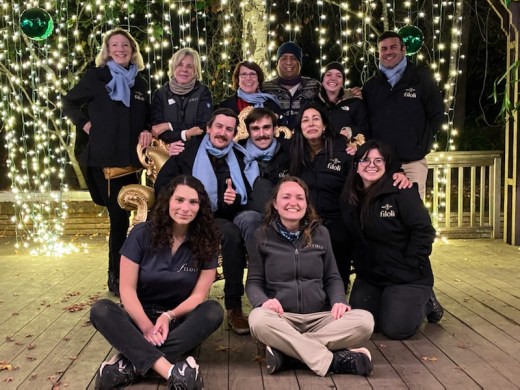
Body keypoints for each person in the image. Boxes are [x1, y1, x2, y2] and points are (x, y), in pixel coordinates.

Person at [90, 175, 224, 389]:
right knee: (101, 310)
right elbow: (126, 290)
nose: (185, 208)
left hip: (178, 320)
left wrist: (168, 316)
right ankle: (171, 370)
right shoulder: (141, 234)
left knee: (213, 311)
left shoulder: (207, 240)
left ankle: (129, 365)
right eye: (179, 200)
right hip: (137, 318)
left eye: (193, 202)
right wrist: (146, 327)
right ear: (168, 201)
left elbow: (199, 296)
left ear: (201, 207)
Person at [246, 176, 374, 377]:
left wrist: (339, 301)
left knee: (365, 321)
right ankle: (331, 361)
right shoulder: (261, 236)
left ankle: (289, 353)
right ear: (275, 204)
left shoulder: (321, 233)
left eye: (299, 197)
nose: (293, 203)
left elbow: (332, 276)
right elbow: (253, 282)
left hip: (320, 318)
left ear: (306, 204)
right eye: (286, 197)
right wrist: (263, 302)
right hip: (282, 318)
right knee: (257, 319)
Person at [62, 28, 152, 296]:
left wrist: (147, 128)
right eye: (115, 45)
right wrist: (85, 124)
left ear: (133, 49)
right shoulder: (96, 77)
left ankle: (136, 273)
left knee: (139, 221)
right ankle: (116, 276)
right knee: (119, 219)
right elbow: (68, 102)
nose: (121, 49)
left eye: (125, 45)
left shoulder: (141, 83)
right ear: (108, 50)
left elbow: (147, 114)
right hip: (104, 162)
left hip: (132, 165)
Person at [155, 108, 258, 335]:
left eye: (229, 129)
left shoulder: (239, 158)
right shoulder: (188, 153)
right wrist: (183, 205)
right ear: (209, 128)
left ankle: (234, 307)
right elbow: (162, 185)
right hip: (187, 218)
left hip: (222, 219)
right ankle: (171, 305)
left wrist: (235, 199)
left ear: (234, 133)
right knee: (228, 232)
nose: (223, 133)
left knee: (233, 232)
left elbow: (248, 196)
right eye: (219, 127)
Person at [341, 140, 444, 340]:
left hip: (407, 275)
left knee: (396, 329)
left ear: (388, 165)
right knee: (365, 325)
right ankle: (391, 302)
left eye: (379, 160)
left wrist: (411, 263)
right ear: (356, 166)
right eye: (365, 160)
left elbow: (423, 230)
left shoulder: (401, 191)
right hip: (372, 276)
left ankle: (426, 300)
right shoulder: (350, 196)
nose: (372, 165)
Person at [362, 31, 446, 199]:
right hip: (380, 164)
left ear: (403, 49)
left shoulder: (421, 78)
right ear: (379, 53)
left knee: (414, 215)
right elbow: (365, 122)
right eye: (383, 49)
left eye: (393, 47)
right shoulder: (371, 86)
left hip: (412, 163)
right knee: (381, 214)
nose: (388, 52)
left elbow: (437, 115)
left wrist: (420, 144)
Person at [232, 107, 291, 248]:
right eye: (255, 129)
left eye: (266, 127)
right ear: (248, 131)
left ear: (275, 129)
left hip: (281, 213)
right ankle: (258, 268)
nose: (261, 134)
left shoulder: (289, 151)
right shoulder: (236, 153)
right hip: (247, 214)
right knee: (250, 219)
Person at [151, 48, 212, 144]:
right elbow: (157, 129)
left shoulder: (203, 92)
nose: (184, 69)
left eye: (189, 66)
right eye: (180, 65)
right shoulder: (161, 94)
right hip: (168, 151)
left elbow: (203, 127)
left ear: (195, 70)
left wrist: (169, 125)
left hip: (196, 151)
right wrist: (185, 134)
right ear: (173, 67)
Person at [262, 41, 320, 129]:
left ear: (300, 64)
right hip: (275, 141)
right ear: (277, 64)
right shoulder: (265, 88)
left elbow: (331, 101)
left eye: (293, 58)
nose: (288, 62)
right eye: (284, 58)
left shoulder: (313, 86)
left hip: (306, 140)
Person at [316, 61, 370, 138]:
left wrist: (350, 131)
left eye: (339, 76)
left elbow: (365, 130)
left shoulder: (355, 102)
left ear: (342, 82)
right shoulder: (314, 104)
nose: (333, 78)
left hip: (345, 149)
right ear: (322, 80)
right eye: (328, 75)